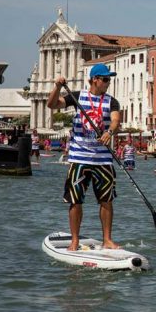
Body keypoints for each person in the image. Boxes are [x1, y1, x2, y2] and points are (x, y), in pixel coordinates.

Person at [46, 63, 121, 251]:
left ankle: (107, 240)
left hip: (103, 160)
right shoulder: (77, 97)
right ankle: (74, 241)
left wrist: (109, 132)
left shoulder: (111, 101)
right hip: (79, 158)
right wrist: (57, 86)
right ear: (95, 79)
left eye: (109, 79)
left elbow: (115, 120)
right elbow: (52, 104)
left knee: (106, 200)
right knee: (75, 200)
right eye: (105, 79)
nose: (108, 82)